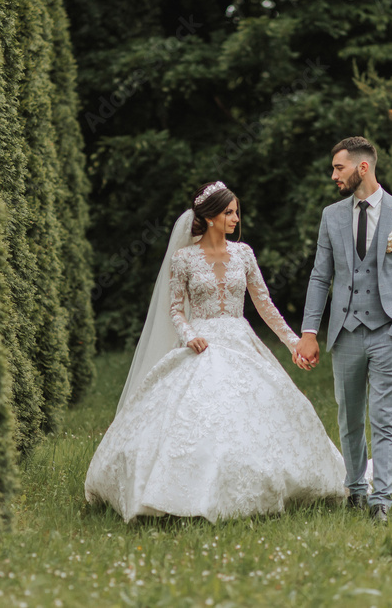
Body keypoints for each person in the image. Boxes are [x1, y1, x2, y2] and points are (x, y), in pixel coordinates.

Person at [85, 181, 349, 523]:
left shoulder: (244, 253)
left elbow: (264, 304)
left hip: (240, 338)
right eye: (229, 212)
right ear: (209, 217)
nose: (236, 218)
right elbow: (176, 309)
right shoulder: (183, 259)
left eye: (236, 212)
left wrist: (293, 341)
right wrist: (188, 334)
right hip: (203, 343)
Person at [294, 136, 392, 524]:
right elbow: (320, 277)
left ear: (362, 167)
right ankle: (356, 489)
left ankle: (381, 498)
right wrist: (308, 331)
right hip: (347, 331)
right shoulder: (331, 216)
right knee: (349, 416)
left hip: (389, 331)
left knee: (384, 416)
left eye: (339, 168)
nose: (333, 175)